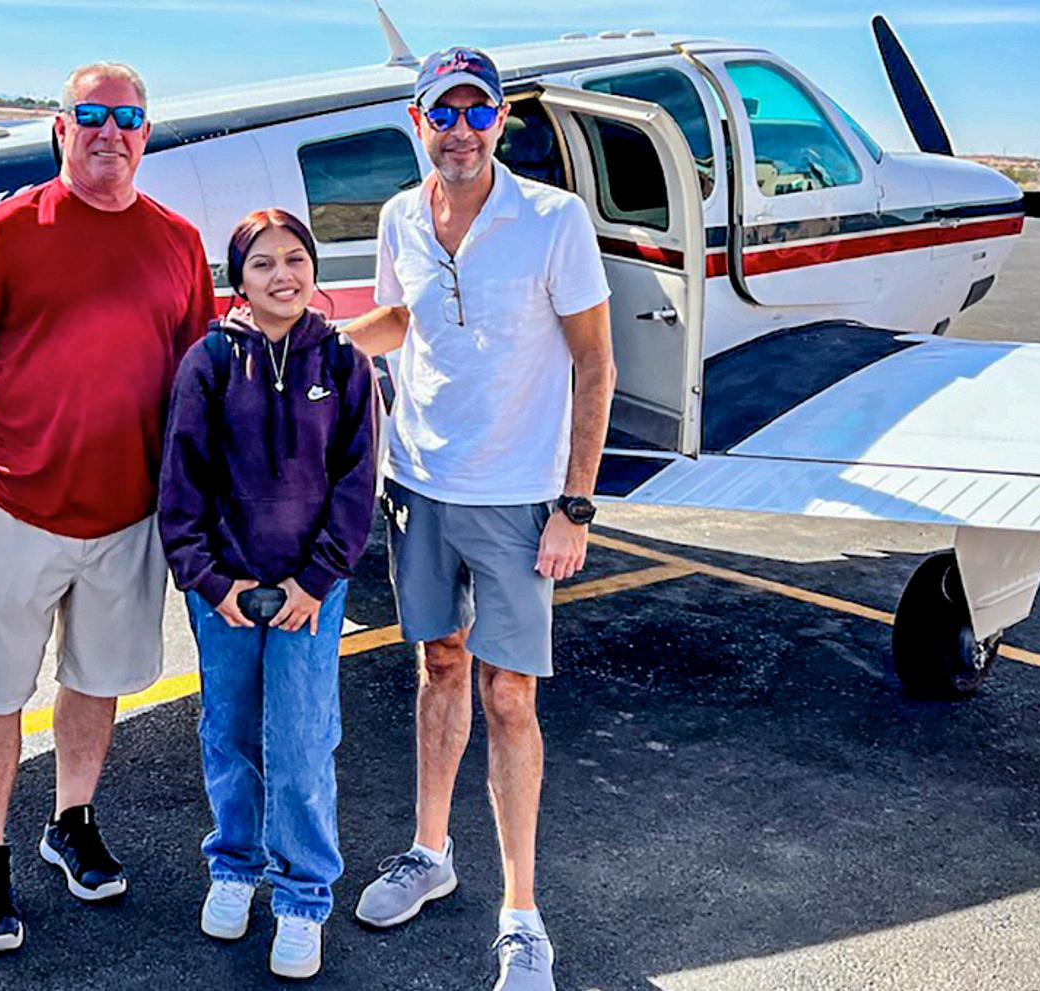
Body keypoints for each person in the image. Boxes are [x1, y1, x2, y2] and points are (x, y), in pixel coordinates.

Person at [344, 46, 616, 991]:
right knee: (440, 665)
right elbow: (398, 321)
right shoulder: (398, 216)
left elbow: (595, 363)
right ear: (418, 122)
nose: (459, 130)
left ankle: (522, 914)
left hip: (519, 496)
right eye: (442, 113)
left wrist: (574, 504)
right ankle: (430, 852)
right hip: (420, 483)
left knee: (510, 696)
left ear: (500, 120)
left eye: (476, 112)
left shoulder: (553, 218)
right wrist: (311, 339)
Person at [0, 62, 215, 953]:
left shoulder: (177, 242)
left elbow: (198, 378)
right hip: (13, 512)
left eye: (127, 117)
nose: (109, 131)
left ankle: (71, 821)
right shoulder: (9, 228)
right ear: (61, 129)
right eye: (90, 114)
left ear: (146, 134)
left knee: (95, 682)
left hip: (127, 519)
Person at [158, 208, 377, 980]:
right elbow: (180, 482)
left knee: (302, 741)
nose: (282, 275)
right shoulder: (210, 361)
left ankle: (303, 894)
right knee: (230, 732)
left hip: (309, 594)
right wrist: (209, 580)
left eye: (295, 259)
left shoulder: (344, 361)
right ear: (238, 280)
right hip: (225, 591)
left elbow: (357, 482)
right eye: (262, 263)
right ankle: (234, 864)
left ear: (313, 268)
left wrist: (315, 580)